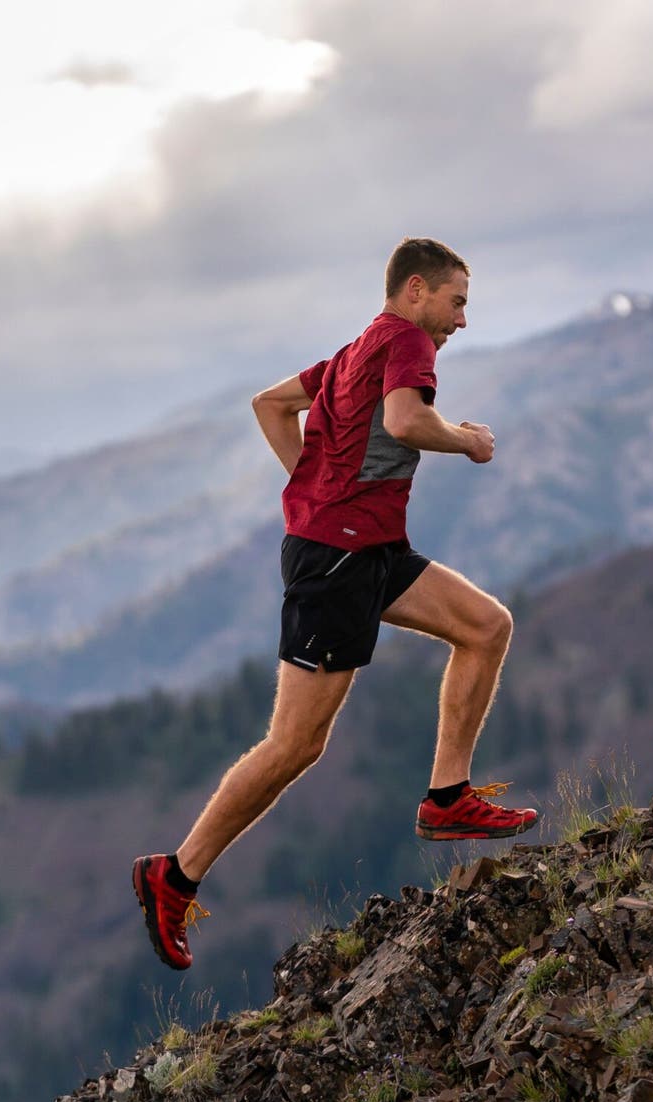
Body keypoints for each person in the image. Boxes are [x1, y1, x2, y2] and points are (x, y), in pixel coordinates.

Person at [132, 236, 538, 970]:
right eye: (457, 302)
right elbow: (409, 423)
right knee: (295, 744)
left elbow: (270, 404)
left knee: (485, 626)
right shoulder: (408, 343)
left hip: (369, 550)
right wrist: (469, 442)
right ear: (416, 290)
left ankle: (447, 798)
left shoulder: (356, 352)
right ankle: (175, 875)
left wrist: (314, 483)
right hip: (340, 560)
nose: (461, 321)